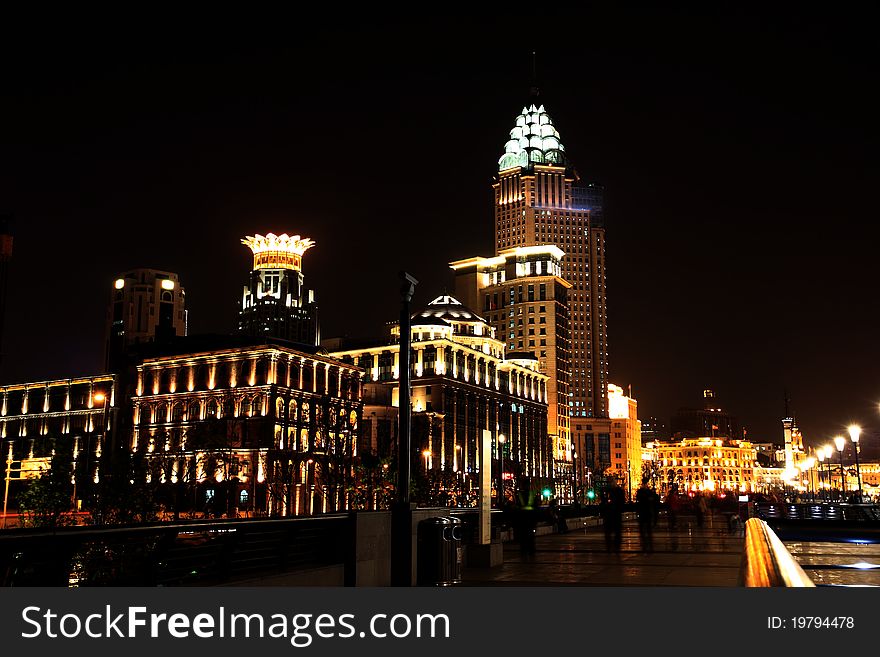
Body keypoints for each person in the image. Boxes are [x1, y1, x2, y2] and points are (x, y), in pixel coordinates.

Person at [600, 476, 626, 553]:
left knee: (614, 532)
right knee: (610, 532)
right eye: (609, 482)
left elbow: (621, 502)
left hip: (614, 514)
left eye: (611, 481)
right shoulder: (608, 491)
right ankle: (611, 547)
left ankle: (615, 547)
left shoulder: (616, 491)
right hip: (611, 514)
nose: (610, 483)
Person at [635, 477, 656, 553]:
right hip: (647, 513)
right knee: (648, 530)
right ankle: (649, 546)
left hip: (643, 513)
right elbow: (652, 502)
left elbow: (638, 502)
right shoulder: (648, 492)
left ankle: (645, 546)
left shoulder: (640, 492)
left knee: (644, 531)